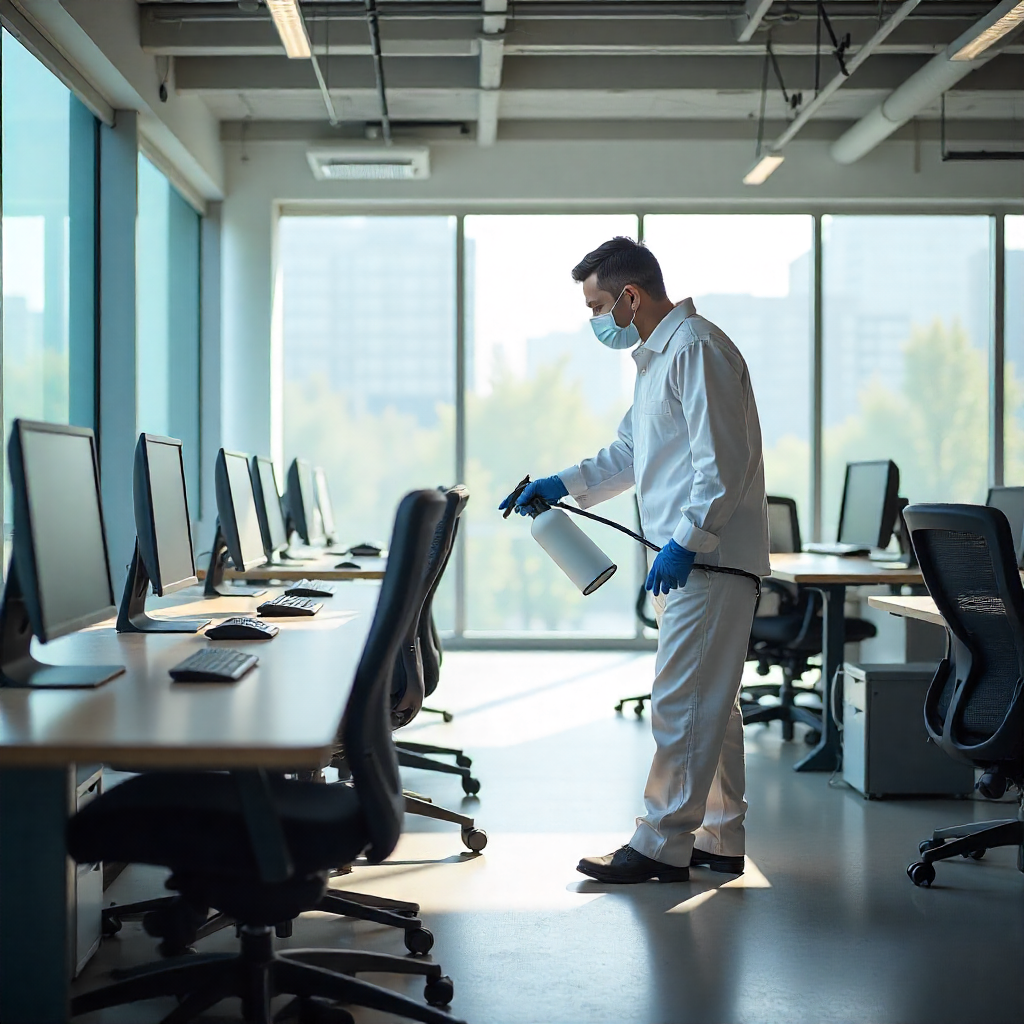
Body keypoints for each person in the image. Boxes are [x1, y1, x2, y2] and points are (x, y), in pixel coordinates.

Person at [500, 237, 769, 883]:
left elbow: (721, 466)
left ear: (630, 296)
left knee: (681, 704)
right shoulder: (660, 360)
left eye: (596, 304)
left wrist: (687, 542)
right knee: (712, 704)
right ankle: (720, 836)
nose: (594, 319)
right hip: (695, 558)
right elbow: (627, 455)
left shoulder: (697, 348)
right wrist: (560, 484)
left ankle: (660, 844)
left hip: (710, 560)